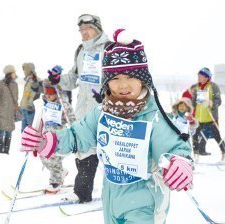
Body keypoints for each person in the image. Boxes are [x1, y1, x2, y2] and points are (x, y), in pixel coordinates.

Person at [21, 29, 193, 224]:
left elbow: (173, 148)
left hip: (145, 202)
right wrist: (45, 141)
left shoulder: (153, 116)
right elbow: (77, 136)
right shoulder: (102, 112)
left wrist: (180, 162)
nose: (122, 85)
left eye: (130, 77)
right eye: (115, 78)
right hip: (111, 199)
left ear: (143, 78)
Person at [48, 14, 110, 203]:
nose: (84, 33)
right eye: (81, 30)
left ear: (97, 29)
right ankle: (82, 192)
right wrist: (58, 80)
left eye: (88, 29)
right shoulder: (81, 51)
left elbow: (120, 79)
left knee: (112, 150)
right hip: (83, 111)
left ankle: (120, 193)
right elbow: (73, 79)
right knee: (84, 150)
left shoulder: (109, 49)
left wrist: (107, 94)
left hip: (107, 109)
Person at [37, 75, 76, 193]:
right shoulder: (43, 102)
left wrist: (74, 130)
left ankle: (55, 181)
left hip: (59, 136)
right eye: (46, 93)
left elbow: (72, 118)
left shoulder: (63, 103)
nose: (48, 95)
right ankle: (61, 172)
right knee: (44, 156)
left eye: (51, 93)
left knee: (53, 158)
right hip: (46, 135)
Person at [190, 68, 225, 161]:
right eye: (198, 76)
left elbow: (218, 100)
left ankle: (224, 153)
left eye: (201, 76)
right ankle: (195, 154)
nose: (198, 78)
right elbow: (192, 101)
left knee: (216, 136)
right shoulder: (195, 86)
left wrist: (212, 103)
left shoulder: (213, 86)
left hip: (210, 117)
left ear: (207, 77)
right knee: (195, 136)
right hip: (198, 117)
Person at [0, 65, 19, 154]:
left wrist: (15, 108)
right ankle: (0, 151)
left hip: (10, 113)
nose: (15, 74)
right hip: (1, 113)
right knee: (0, 132)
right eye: (14, 72)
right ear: (9, 73)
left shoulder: (15, 84)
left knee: (9, 132)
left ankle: (6, 151)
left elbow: (16, 98)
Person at [20, 63, 41, 132]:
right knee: (24, 131)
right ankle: (24, 142)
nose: (24, 71)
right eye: (23, 70)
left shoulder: (36, 80)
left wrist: (30, 104)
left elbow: (36, 94)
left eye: (25, 69)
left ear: (30, 70)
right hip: (24, 108)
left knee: (30, 131)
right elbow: (26, 94)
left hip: (30, 109)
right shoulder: (28, 80)